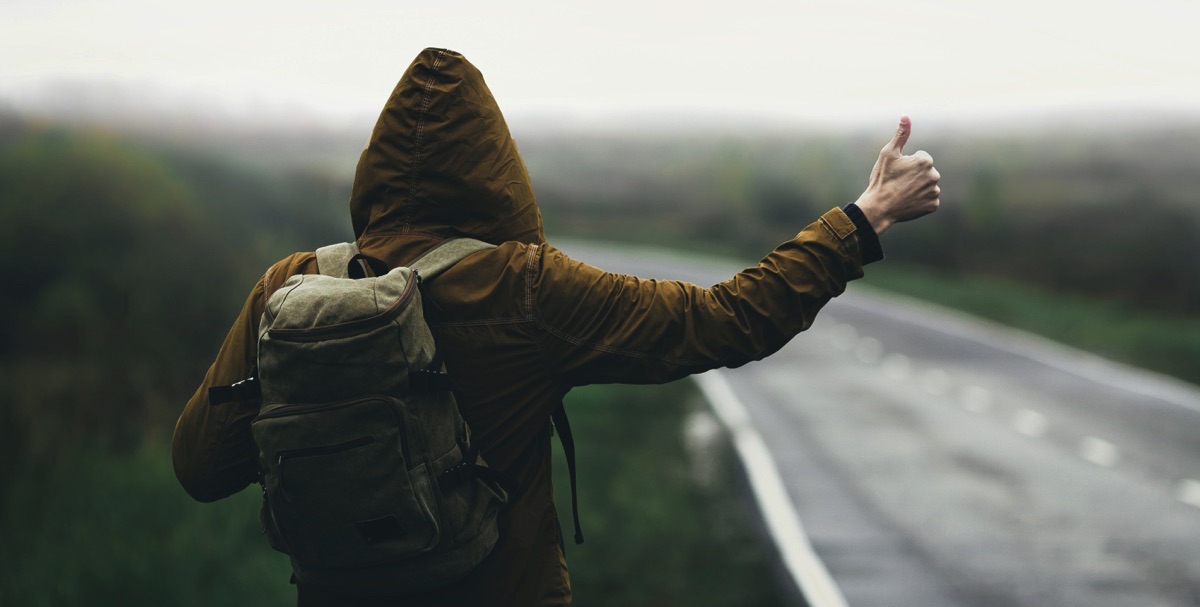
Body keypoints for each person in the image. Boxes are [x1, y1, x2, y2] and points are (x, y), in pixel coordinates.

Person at [172, 47, 939, 606]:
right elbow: (725, 320)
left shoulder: (292, 282)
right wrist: (862, 219)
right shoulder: (527, 289)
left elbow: (200, 465)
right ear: (495, 167)